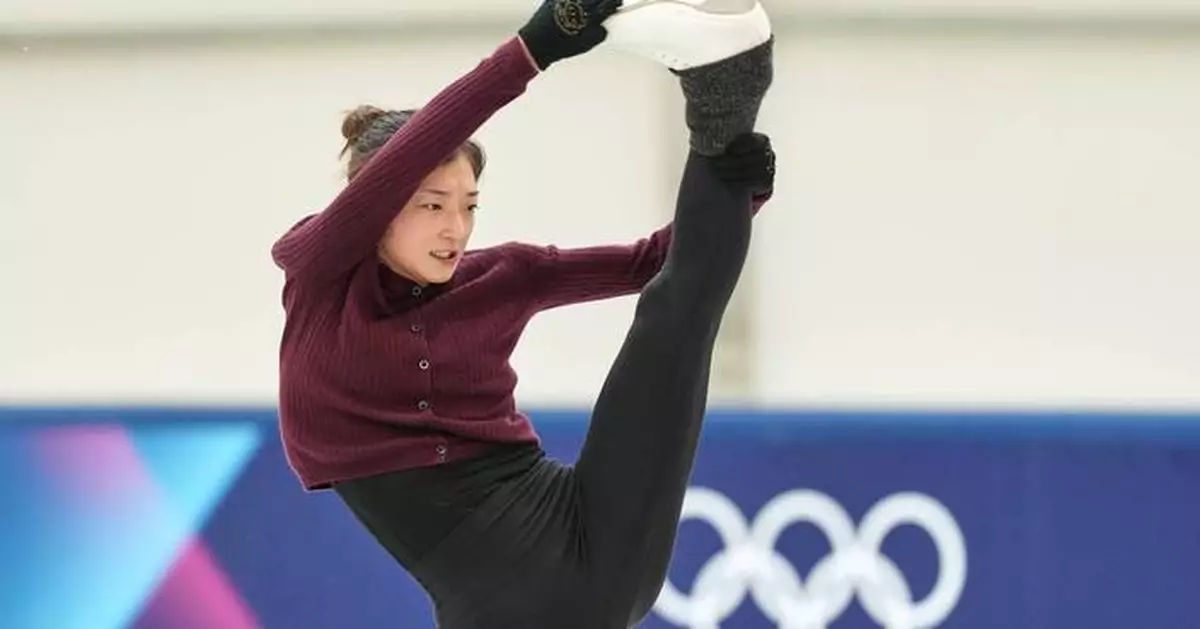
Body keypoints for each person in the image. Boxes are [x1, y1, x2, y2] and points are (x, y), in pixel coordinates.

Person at [269, 0, 776, 626]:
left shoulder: (504, 275)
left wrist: (738, 189)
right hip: (516, 602)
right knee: (678, 304)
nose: (456, 228)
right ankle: (727, 92)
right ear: (377, 209)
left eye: (469, 206)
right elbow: (413, 151)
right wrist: (533, 49)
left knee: (676, 308)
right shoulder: (320, 276)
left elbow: (656, 259)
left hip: (596, 534)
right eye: (432, 206)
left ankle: (726, 93)